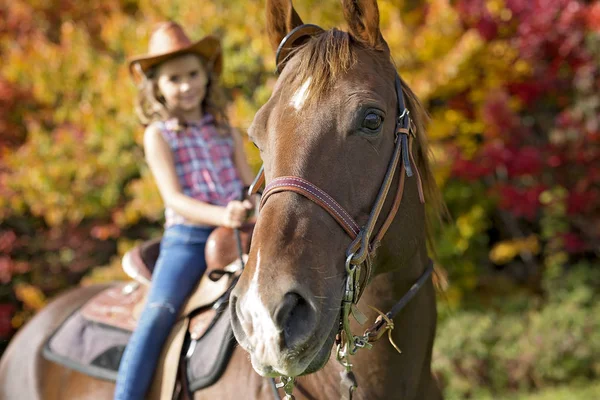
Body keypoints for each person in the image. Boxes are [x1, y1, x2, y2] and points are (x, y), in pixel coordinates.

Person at [114, 21, 255, 400]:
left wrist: (252, 203)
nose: (187, 85)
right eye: (174, 79)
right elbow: (173, 198)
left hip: (240, 231)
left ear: (207, 77)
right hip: (188, 238)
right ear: (156, 87)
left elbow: (248, 182)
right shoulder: (158, 134)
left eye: (193, 74)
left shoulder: (227, 132)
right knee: (158, 313)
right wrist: (221, 215)